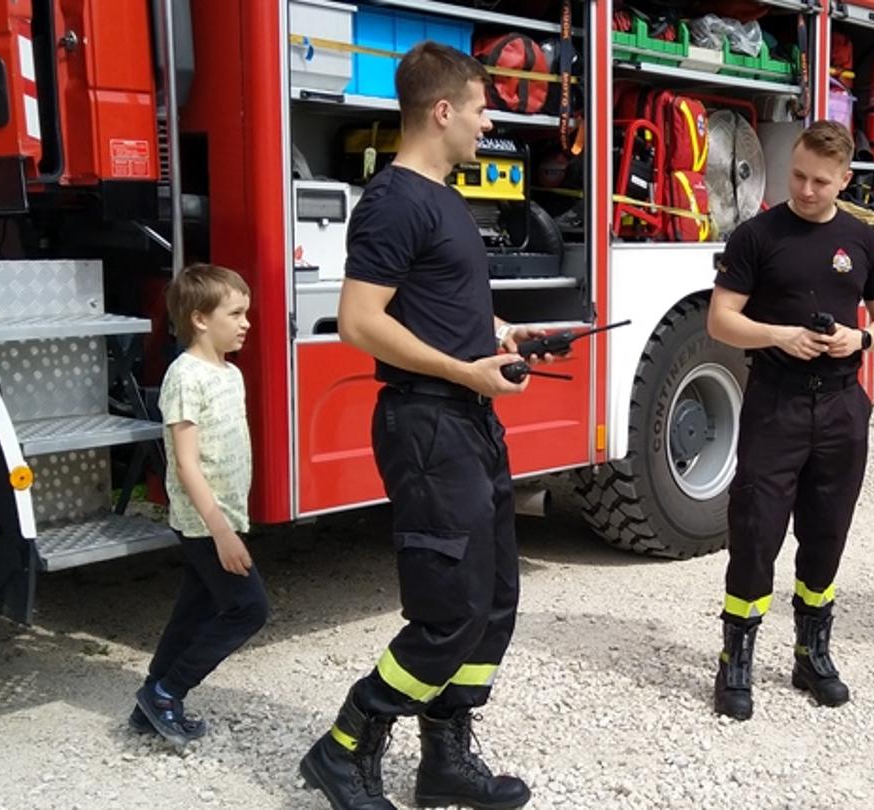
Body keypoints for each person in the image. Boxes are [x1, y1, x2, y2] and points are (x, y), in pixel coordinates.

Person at [298, 42, 551, 810]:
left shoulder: (442, 198)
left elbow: (437, 303)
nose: (488, 122)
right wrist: (463, 371)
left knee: (494, 600)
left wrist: (499, 333)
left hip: (467, 421)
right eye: (481, 108)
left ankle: (444, 756)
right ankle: (347, 744)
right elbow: (358, 322)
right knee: (450, 609)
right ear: (443, 111)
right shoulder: (396, 201)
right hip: (427, 426)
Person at [706, 120, 874, 721]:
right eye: (798, 175)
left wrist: (860, 339)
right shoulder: (757, 236)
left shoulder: (864, 241)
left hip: (842, 404)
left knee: (826, 532)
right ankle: (735, 658)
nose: (807, 189)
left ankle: (811, 652)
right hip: (776, 402)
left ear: (845, 180)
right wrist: (781, 337)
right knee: (756, 531)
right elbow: (720, 320)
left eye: (821, 181)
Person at [132, 263, 270, 748]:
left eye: (245, 313)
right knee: (249, 609)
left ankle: (152, 695)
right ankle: (170, 690)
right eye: (235, 313)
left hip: (223, 518)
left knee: (194, 609)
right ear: (199, 319)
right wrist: (221, 531)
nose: (246, 322)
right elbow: (186, 464)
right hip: (205, 523)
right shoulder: (185, 377)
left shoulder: (228, 373)